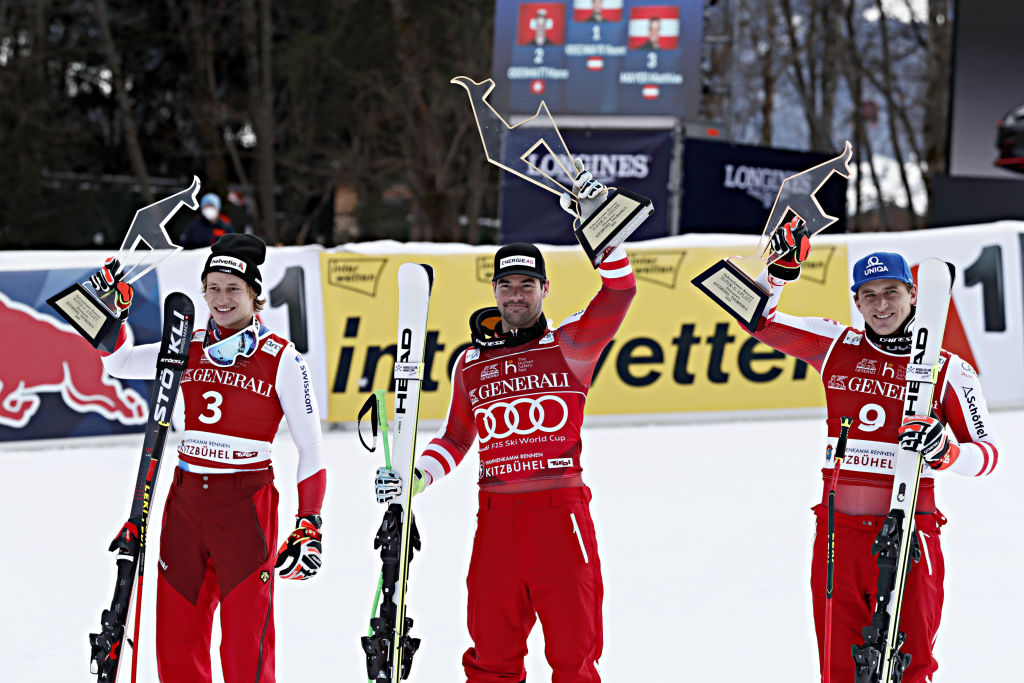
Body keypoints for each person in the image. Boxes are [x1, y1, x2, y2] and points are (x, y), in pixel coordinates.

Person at [376, 165, 635, 683]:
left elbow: (619, 294)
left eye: (527, 285)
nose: (516, 295)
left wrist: (605, 237)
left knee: (574, 659)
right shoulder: (470, 362)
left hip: (560, 517)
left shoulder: (569, 347)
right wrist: (416, 477)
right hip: (495, 520)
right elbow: (454, 438)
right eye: (506, 285)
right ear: (494, 289)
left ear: (544, 288)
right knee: (491, 656)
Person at [739, 219, 1000, 683]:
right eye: (869, 295)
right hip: (838, 535)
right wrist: (777, 273)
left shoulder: (947, 369)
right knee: (839, 667)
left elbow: (988, 455)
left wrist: (945, 451)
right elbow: (756, 319)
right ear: (856, 302)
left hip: (911, 534)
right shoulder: (835, 345)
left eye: (892, 292)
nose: (881, 305)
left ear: (914, 295)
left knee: (912, 665)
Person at [94, 233, 326, 682]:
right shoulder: (187, 347)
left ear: (255, 295)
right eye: (213, 288)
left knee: (245, 644)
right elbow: (119, 363)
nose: (222, 299)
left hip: (247, 504)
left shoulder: (281, 359)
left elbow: (312, 447)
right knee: (178, 642)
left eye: (233, 289)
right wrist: (110, 312)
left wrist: (310, 521)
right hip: (185, 503)